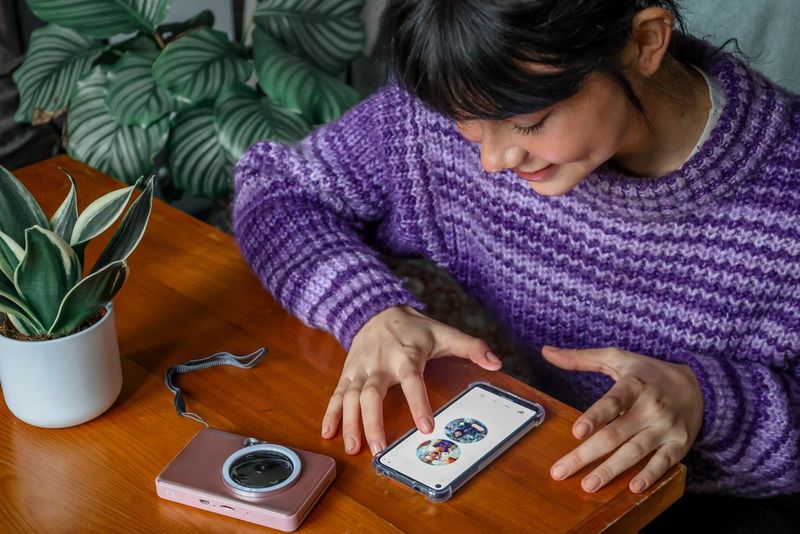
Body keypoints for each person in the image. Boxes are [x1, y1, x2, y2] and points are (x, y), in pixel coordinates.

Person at [232, 0, 800, 524]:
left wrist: (708, 399)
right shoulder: (468, 92)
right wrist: (370, 312)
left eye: (528, 122)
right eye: (467, 124)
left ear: (645, 41)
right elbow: (275, 190)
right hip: (530, 472)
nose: (493, 159)